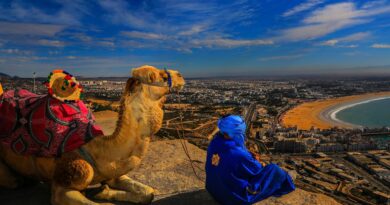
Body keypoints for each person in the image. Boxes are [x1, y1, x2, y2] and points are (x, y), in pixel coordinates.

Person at [205, 115, 295, 205]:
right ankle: (288, 180)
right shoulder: (239, 154)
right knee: (274, 169)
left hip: (212, 189)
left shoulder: (214, 142)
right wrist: (256, 160)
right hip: (231, 199)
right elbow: (258, 170)